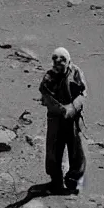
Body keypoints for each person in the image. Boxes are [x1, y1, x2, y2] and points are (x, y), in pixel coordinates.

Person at [39, 47, 87, 194]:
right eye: (55, 59)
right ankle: (56, 181)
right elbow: (46, 98)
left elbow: (83, 91)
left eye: (62, 59)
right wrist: (62, 109)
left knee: (76, 150)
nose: (58, 62)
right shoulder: (49, 77)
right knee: (54, 150)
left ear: (68, 61)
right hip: (56, 119)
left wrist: (74, 107)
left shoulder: (75, 72)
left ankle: (73, 179)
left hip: (72, 119)